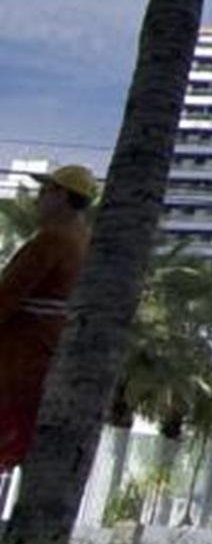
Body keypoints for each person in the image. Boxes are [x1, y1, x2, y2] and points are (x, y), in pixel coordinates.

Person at [0, 164, 97, 469]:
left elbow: (6, 298)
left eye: (45, 191)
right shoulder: (85, 242)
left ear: (63, 196)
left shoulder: (52, 240)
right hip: (41, 369)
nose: (37, 198)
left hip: (16, 371)